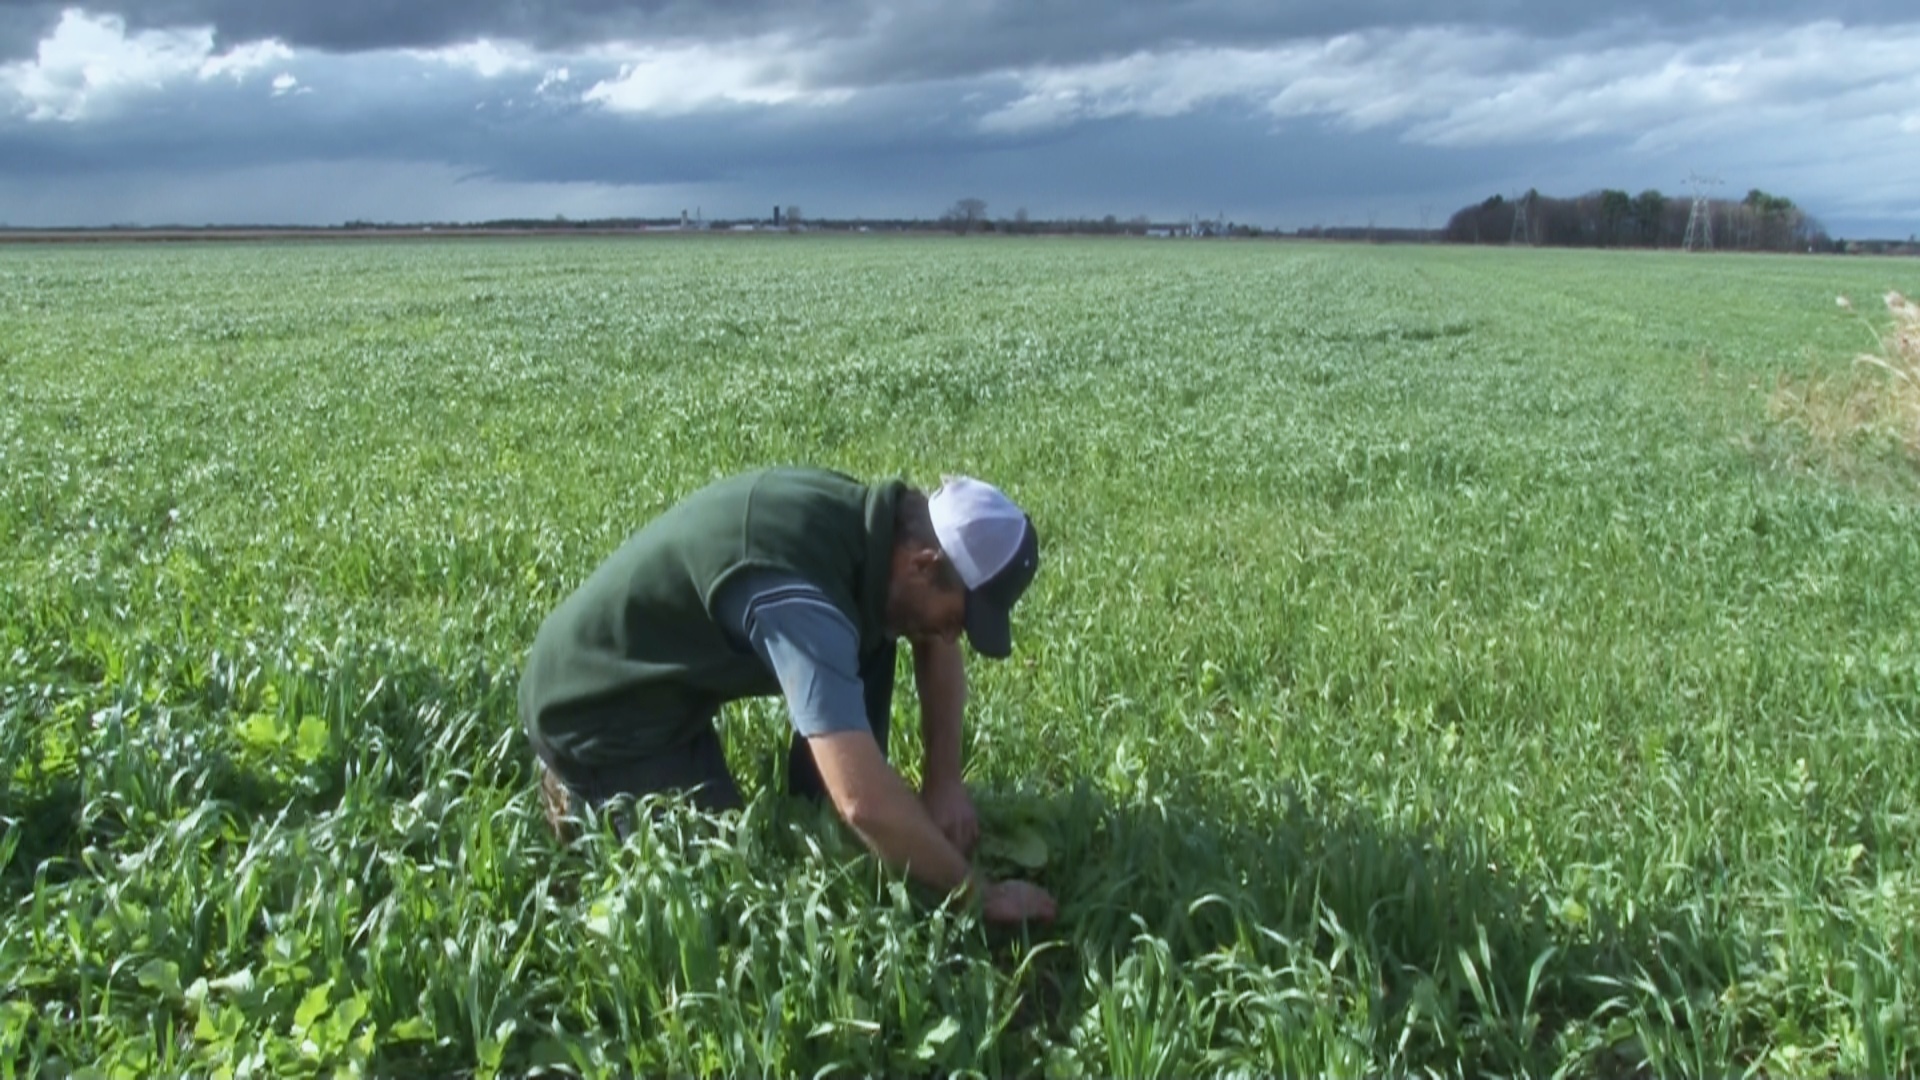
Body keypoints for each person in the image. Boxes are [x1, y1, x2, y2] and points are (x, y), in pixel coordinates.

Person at [518, 465, 1057, 924]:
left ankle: (818, 815)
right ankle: (576, 787)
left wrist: (944, 782)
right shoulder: (806, 598)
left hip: (668, 686)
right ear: (922, 564)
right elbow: (863, 803)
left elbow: (933, 639)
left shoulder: (881, 534)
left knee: (888, 627)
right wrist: (978, 895)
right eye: (958, 622)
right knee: (721, 889)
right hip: (594, 706)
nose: (950, 639)